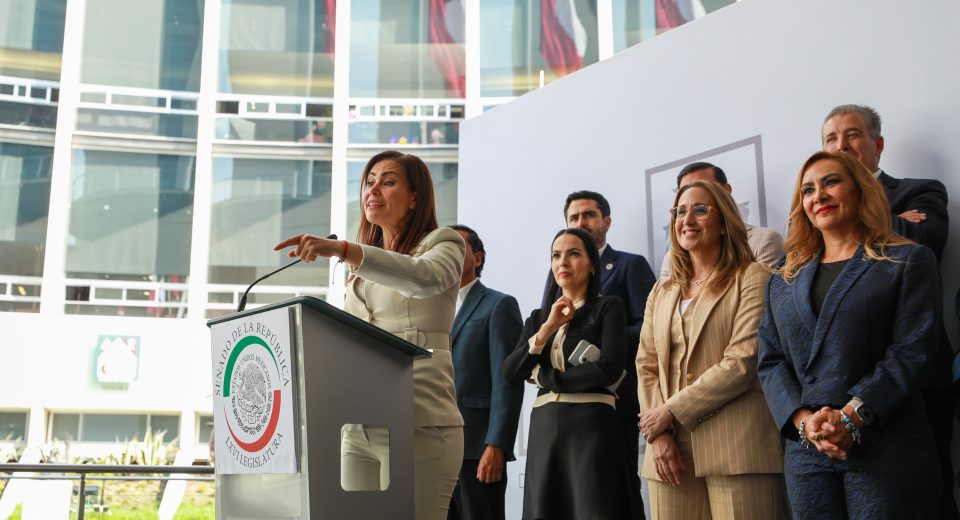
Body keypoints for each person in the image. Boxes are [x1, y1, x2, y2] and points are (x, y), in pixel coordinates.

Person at [274, 150, 465, 520]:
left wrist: (344, 249)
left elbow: (423, 278)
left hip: (420, 420)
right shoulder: (363, 268)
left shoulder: (444, 243)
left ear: (415, 198)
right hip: (359, 424)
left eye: (388, 181)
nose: (373, 189)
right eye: (369, 182)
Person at [757, 151, 942, 519]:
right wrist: (805, 423)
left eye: (831, 182)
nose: (819, 196)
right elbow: (770, 361)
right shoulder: (783, 278)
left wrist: (852, 416)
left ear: (860, 190)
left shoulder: (907, 260)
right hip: (808, 449)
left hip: (886, 443)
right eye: (808, 190)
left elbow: (911, 350)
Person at [821, 104, 956, 518]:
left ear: (877, 144)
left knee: (929, 495)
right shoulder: (816, 208)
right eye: (831, 139)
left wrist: (864, 207)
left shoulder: (920, 190)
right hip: (841, 387)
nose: (841, 145)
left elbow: (925, 241)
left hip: (915, 377)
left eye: (852, 135)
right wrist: (891, 220)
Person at [637, 181, 787, 519]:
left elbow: (742, 361)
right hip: (667, 449)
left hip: (737, 448)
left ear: (724, 222)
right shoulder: (661, 290)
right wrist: (658, 432)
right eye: (679, 211)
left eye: (700, 210)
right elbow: (646, 365)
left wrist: (670, 411)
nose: (687, 219)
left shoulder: (753, 276)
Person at [504, 227, 630, 520]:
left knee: (594, 508)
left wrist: (546, 378)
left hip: (591, 426)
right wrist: (547, 328)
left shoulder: (608, 307)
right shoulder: (538, 318)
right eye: (556, 255)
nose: (563, 262)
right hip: (545, 427)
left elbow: (608, 368)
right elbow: (511, 371)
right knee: (545, 509)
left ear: (592, 263)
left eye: (573, 254)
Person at [546, 190, 654, 519]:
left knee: (618, 489)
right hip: (564, 402)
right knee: (571, 494)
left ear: (606, 221)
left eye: (589, 215)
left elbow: (649, 327)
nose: (581, 222)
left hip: (614, 396)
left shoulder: (630, 265)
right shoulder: (558, 271)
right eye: (574, 217)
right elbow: (548, 327)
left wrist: (605, 339)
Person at [447, 224, 524, 520]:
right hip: (434, 447)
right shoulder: (427, 308)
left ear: (477, 258)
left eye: (456, 247)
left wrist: (497, 445)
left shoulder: (498, 304)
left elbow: (507, 381)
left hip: (476, 447)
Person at [658, 162, 784, 277]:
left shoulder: (764, 241)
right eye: (686, 190)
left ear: (726, 191)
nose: (694, 192)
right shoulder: (671, 259)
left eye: (706, 187)